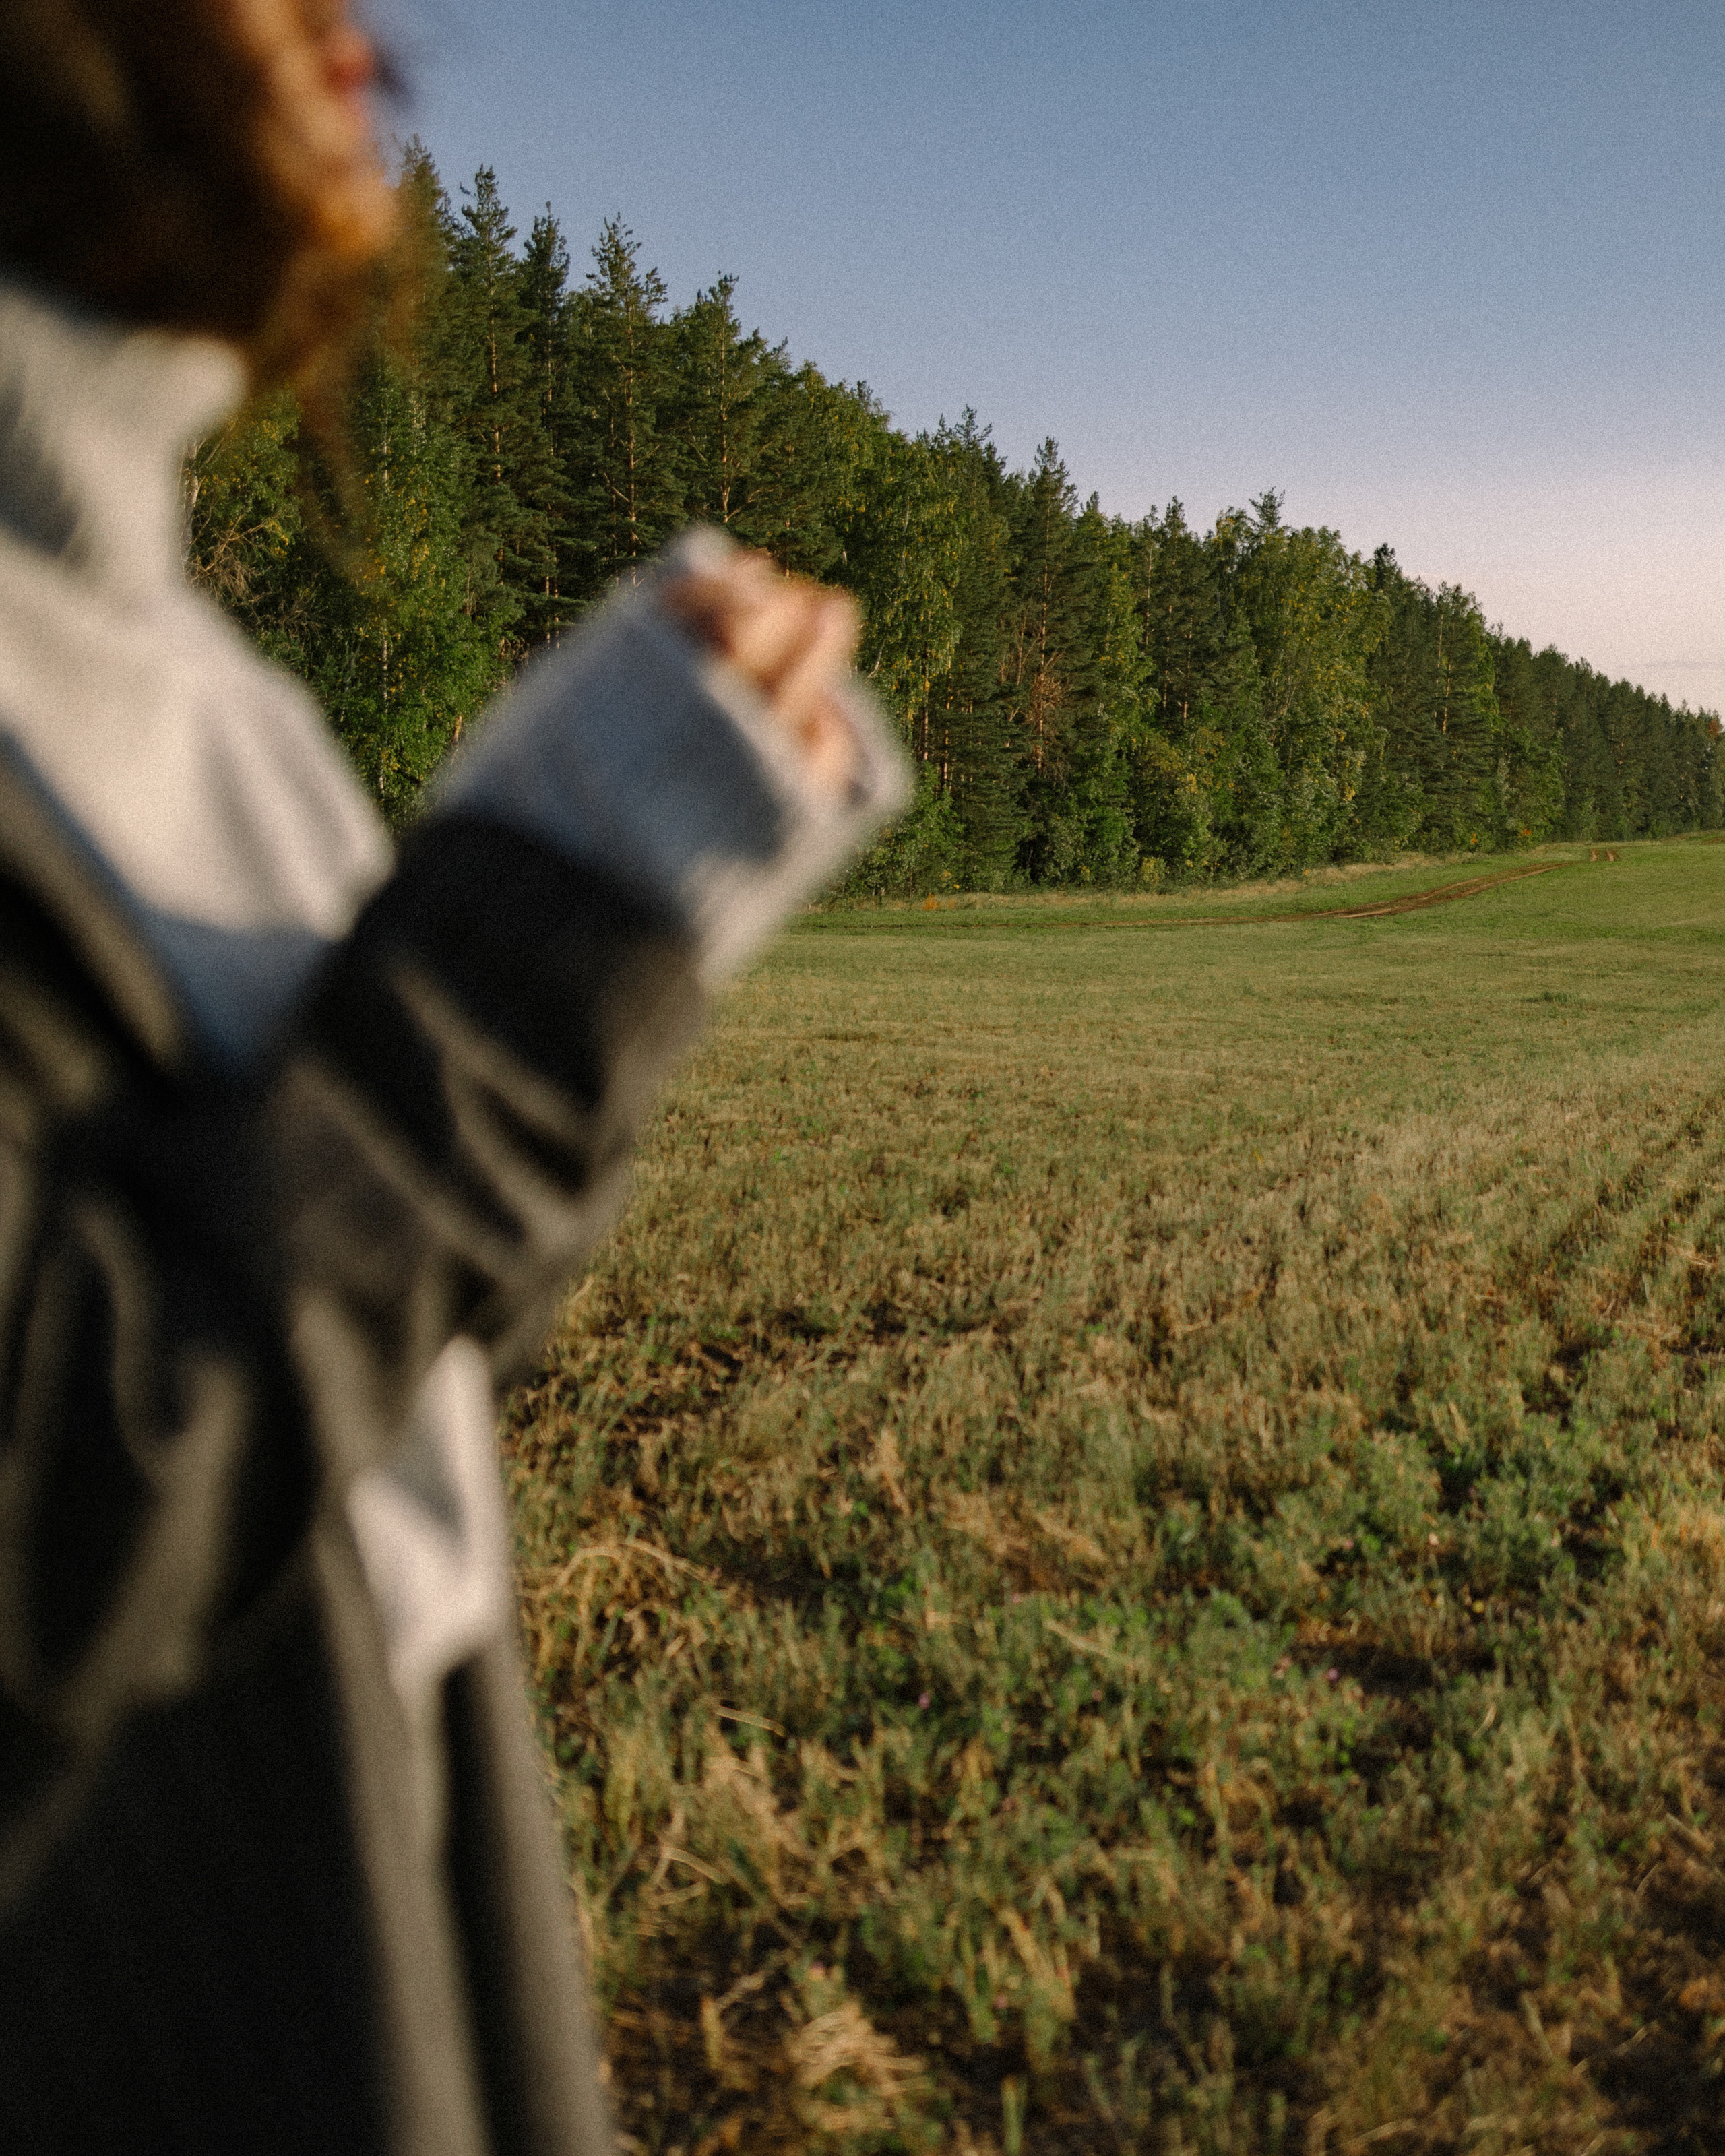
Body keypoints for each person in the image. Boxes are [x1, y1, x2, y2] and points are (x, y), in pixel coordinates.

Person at [0, 2, 907, 2149]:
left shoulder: (199, 689)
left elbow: (379, 1339)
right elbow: (56, 1505)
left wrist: (588, 894)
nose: (353, 27)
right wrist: (552, 926)